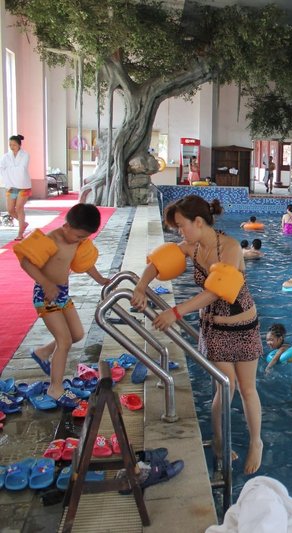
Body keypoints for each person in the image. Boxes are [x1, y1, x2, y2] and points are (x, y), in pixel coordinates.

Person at [132, 195, 263, 474]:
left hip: (244, 326)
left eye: (182, 225)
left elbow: (217, 289)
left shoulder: (229, 247)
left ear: (199, 222)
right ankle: (218, 442)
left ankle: (256, 442)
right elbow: (157, 263)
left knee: (247, 388)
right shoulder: (191, 247)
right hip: (214, 328)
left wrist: (175, 312)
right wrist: (141, 286)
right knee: (225, 387)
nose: (180, 232)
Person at [17, 203, 110, 408]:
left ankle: (43, 352)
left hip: (62, 294)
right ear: (67, 226)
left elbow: (86, 263)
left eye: (84, 238)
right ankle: (55, 388)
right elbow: (26, 262)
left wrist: (101, 280)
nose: (80, 240)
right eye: (78, 236)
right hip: (45, 296)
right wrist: (45, 283)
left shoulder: (77, 239)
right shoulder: (50, 240)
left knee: (77, 334)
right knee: (64, 341)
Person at [0, 134, 32, 240]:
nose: (11, 147)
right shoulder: (6, 156)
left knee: (19, 208)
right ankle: (23, 224)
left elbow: (22, 169)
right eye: (10, 145)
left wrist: (9, 170)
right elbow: (1, 168)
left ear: (19, 145)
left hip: (24, 186)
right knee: (10, 209)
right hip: (12, 187)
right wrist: (13, 171)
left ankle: (20, 233)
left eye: (14, 145)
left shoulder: (25, 155)